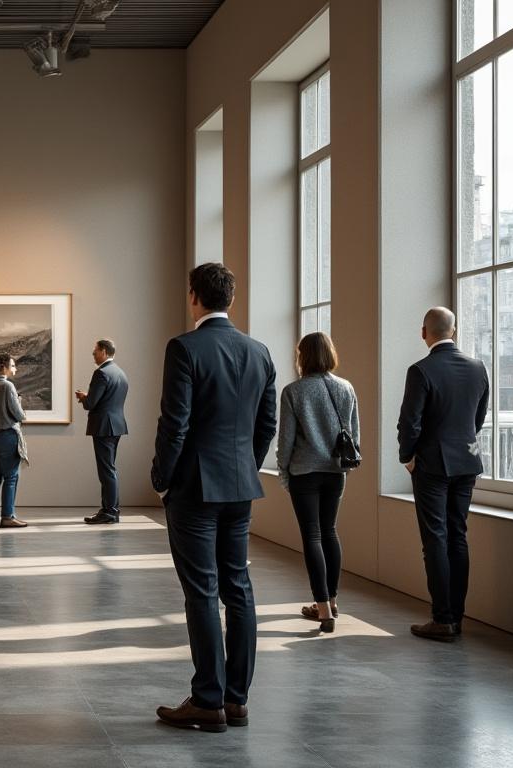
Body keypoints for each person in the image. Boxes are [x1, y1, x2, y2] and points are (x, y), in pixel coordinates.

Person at [150, 263, 276, 733]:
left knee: (202, 591)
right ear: (231, 299)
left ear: (193, 297)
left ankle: (207, 700)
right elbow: (267, 425)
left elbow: (174, 423)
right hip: (240, 486)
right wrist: (244, 464)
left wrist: (161, 477)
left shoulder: (184, 348)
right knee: (238, 588)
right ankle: (236, 699)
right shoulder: (259, 351)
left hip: (194, 488)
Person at [397, 307, 489, 642]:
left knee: (435, 538)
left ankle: (443, 618)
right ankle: (456, 617)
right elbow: (477, 419)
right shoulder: (479, 368)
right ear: (455, 331)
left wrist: (407, 457)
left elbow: (410, 422)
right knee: (457, 535)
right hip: (467, 462)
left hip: (432, 465)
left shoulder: (421, 370)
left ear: (425, 333)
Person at [276, 332, 359, 633]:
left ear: (302, 356)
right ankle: (333, 601)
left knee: (311, 536)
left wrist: (283, 471)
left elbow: (285, 440)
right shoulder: (346, 387)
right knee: (329, 532)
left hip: (304, 472)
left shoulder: (293, 391)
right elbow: (354, 434)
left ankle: (322, 609)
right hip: (336, 471)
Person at [76, 339, 129, 525]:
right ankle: (112, 510)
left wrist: (84, 397)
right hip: (116, 425)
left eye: (95, 351)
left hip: (103, 427)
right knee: (110, 469)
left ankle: (109, 511)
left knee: (106, 471)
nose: (93, 354)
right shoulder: (120, 373)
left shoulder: (101, 373)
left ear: (104, 352)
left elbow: (91, 404)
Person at [0, 354, 29, 528]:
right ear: (3, 367)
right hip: (8, 436)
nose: (15, 368)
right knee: (11, 478)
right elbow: (19, 415)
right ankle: (7, 517)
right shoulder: (8, 386)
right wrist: (20, 403)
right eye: (13, 365)